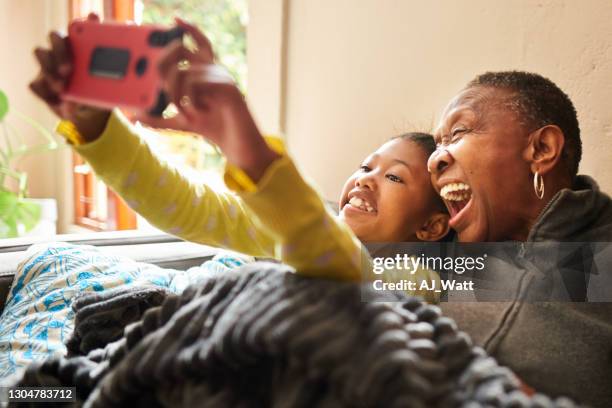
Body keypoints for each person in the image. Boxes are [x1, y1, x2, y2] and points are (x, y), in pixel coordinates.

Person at [29, 17, 449, 300]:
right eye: (364, 167)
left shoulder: (417, 279)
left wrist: (249, 150)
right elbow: (187, 207)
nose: (364, 180)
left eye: (394, 178)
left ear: (430, 227)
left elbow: (337, 260)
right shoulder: (290, 229)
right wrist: (98, 128)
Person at [428, 70, 612, 406]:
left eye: (457, 132)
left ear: (542, 149)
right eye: (437, 143)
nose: (434, 159)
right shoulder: (433, 242)